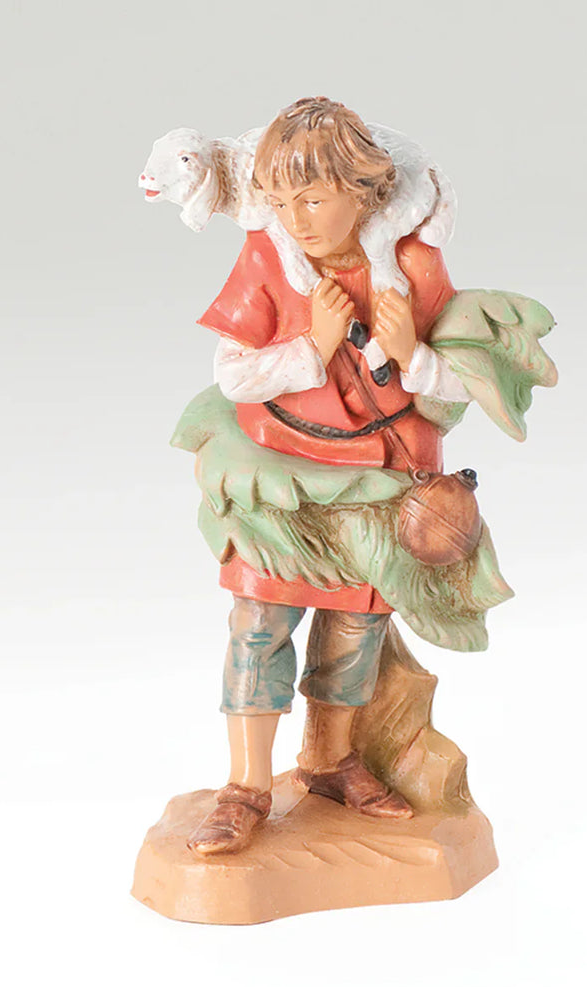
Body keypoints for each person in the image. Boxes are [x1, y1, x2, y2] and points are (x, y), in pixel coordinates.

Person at [186, 97, 473, 856]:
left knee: (356, 625)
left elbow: (455, 394)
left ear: (365, 193)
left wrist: (412, 354)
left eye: (313, 199)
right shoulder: (269, 258)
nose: (297, 219)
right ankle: (245, 785)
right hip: (283, 474)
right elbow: (234, 374)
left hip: (379, 475)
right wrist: (313, 344)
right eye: (281, 201)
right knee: (259, 622)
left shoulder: (412, 267)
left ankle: (330, 758)